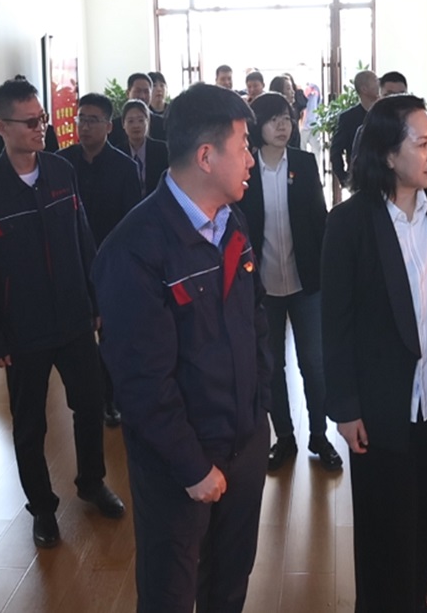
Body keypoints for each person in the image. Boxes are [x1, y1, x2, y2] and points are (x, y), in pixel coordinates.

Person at [92, 83, 271, 613]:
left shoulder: (232, 222)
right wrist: (192, 467)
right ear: (206, 156)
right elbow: (141, 381)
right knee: (170, 594)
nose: (251, 161)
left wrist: (259, 412)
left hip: (242, 444)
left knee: (229, 586)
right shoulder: (134, 249)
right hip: (180, 466)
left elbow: (256, 321)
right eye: (243, 147)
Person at [323, 94, 427, 612]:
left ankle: (413, 594)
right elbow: (335, 325)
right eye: (421, 143)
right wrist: (345, 407)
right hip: (380, 409)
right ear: (387, 153)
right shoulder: (350, 224)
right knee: (383, 532)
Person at [0, 78, 125, 550]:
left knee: (89, 405)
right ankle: (42, 508)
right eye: (30, 121)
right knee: (30, 424)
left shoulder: (60, 171)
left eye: (43, 118)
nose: (41, 128)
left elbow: (83, 239)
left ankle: (92, 482)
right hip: (23, 329)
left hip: (73, 318)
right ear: (2, 127)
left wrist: (95, 300)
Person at [238, 92, 340, 472]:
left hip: (305, 282)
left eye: (286, 118)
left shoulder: (304, 163)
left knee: (314, 364)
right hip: (263, 286)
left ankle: (319, 435)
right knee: (271, 366)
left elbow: (319, 219)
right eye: (273, 120)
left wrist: (328, 275)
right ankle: (284, 436)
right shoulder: (247, 168)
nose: (282, 126)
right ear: (257, 126)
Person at [58, 92, 143, 428]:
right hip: (72, 266)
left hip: (112, 268)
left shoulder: (124, 167)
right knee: (79, 340)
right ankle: (89, 401)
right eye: (81, 119)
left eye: (92, 120)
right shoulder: (61, 164)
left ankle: (112, 399)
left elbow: (131, 223)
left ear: (109, 126)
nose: (84, 127)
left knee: (112, 338)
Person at [377, 71, 427, 164]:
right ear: (379, 97)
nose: (396, 100)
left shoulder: (423, 128)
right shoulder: (370, 129)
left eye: (401, 95)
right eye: (389, 95)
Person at [329, 70, 380, 188]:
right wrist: (345, 179)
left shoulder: (385, 113)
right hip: (360, 182)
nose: (379, 84)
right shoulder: (348, 118)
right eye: (375, 80)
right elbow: (336, 151)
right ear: (364, 89)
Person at [117, 98, 169, 196]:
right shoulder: (118, 154)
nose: (136, 125)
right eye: (130, 121)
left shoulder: (163, 151)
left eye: (141, 120)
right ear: (123, 124)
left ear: (148, 122)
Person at [267, 75, 303, 149]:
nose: (293, 92)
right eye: (288, 88)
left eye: (292, 88)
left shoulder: (293, 111)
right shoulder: (269, 115)